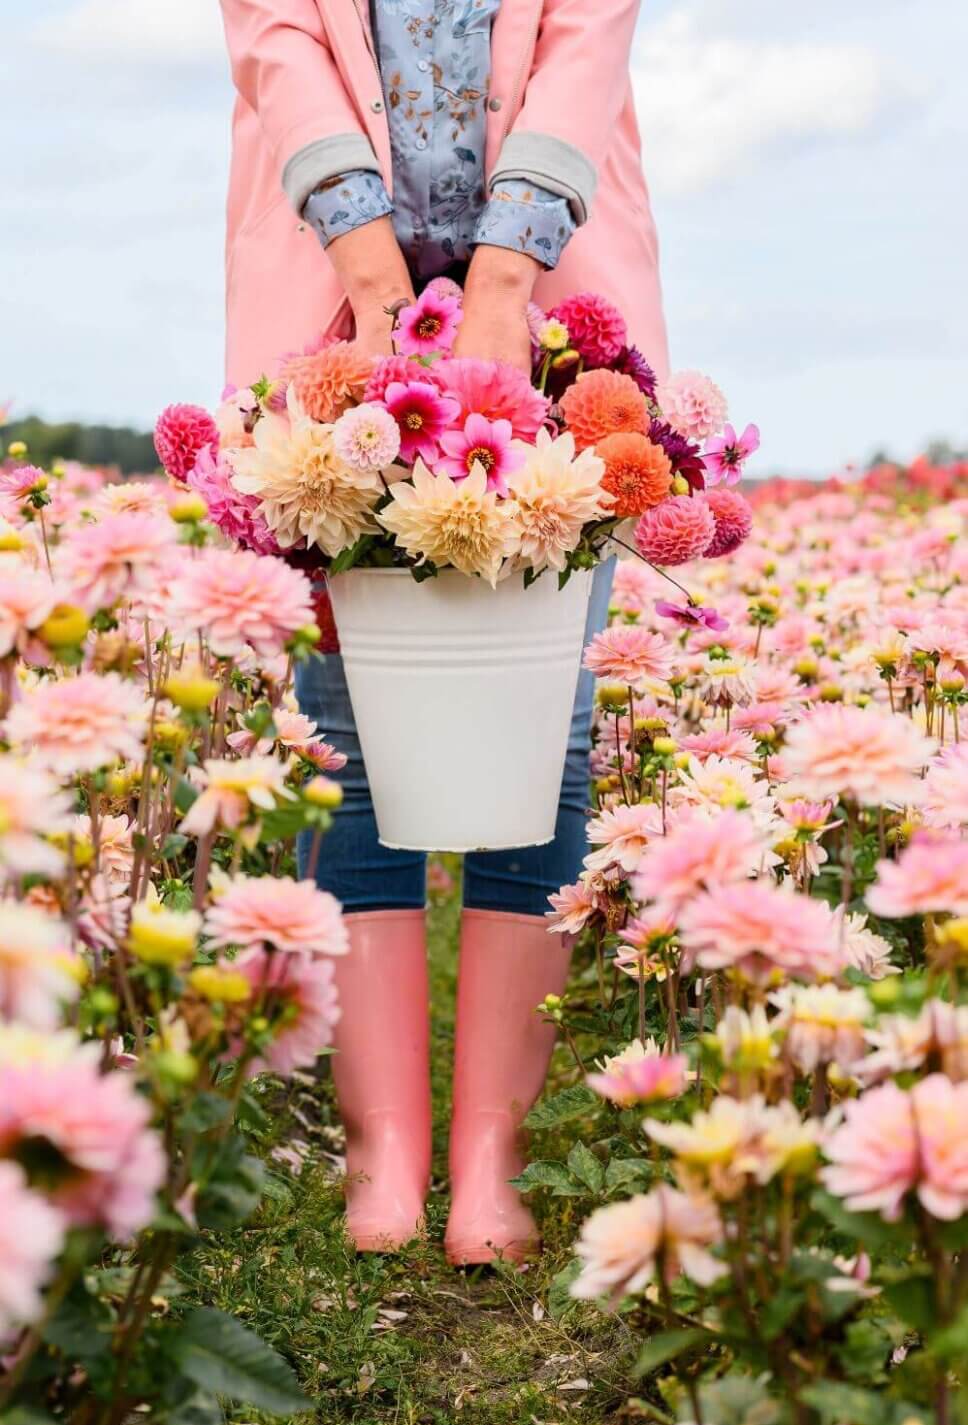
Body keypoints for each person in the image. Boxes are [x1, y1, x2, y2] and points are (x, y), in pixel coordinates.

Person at [219, 0, 668, 1265]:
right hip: (322, 306)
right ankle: (384, 1157)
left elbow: (584, 47)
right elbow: (276, 42)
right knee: (343, 733)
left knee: (545, 736)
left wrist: (502, 284)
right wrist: (370, 285)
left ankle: (490, 1163)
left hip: (556, 305)